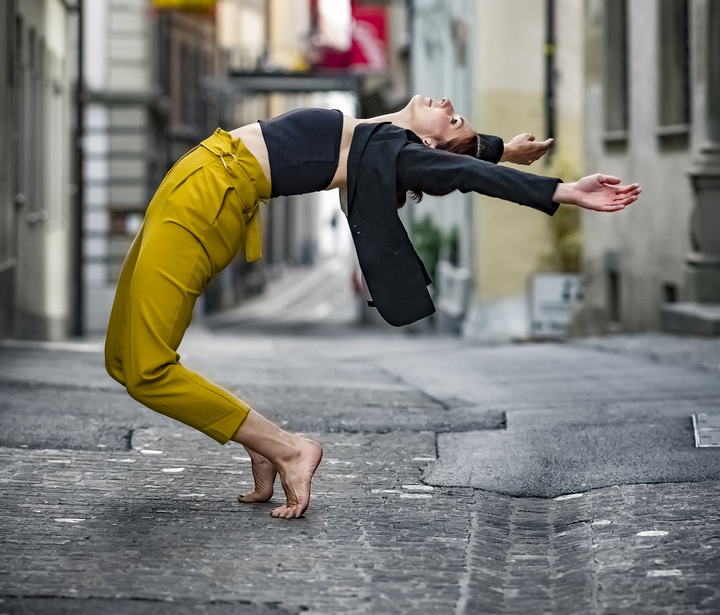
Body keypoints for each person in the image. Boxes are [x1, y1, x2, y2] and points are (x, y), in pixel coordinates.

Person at [104, 95, 641, 519]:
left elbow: (457, 172)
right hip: (190, 185)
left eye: (452, 118)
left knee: (149, 368)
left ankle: (287, 448)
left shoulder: (388, 149)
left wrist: (562, 191)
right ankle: (265, 444)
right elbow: (459, 157)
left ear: (425, 142)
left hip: (207, 199)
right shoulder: (373, 136)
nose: (449, 104)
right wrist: (497, 147)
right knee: (123, 360)